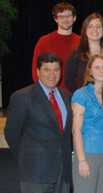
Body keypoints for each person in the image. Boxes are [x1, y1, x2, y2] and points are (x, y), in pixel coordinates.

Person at [6, 52, 73, 193]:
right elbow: (12, 133)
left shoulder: (67, 97)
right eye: (47, 70)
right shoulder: (22, 97)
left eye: (56, 70)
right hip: (34, 172)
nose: (52, 74)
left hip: (62, 172)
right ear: (38, 72)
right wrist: (27, 156)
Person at [71, 54, 103, 193]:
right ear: (90, 71)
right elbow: (76, 130)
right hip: (88, 153)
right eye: (97, 67)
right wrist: (82, 160)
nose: (101, 70)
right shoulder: (82, 94)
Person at [32, 2, 80, 92]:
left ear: (74, 18)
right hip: (51, 93)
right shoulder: (44, 41)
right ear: (55, 19)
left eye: (68, 15)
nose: (65, 19)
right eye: (61, 16)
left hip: (77, 93)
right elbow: (36, 70)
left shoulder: (82, 42)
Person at [64, 13, 103, 93]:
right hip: (84, 102)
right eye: (90, 26)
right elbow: (68, 80)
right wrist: (80, 95)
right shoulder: (76, 53)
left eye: (98, 26)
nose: (94, 29)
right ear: (85, 30)